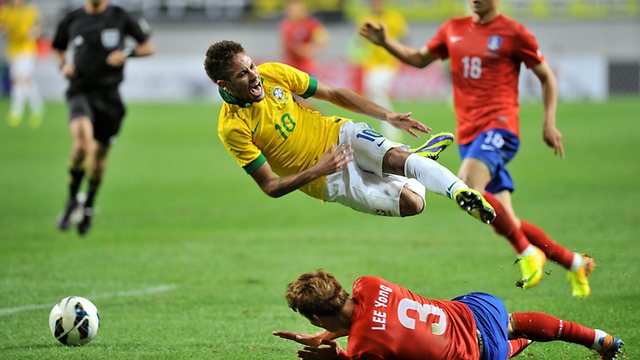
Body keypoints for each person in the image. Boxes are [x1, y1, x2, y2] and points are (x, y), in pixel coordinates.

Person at [359, 0, 594, 297]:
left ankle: (528, 253)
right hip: (469, 135)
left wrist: (549, 122)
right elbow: (419, 59)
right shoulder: (453, 29)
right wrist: (385, 43)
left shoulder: (514, 33)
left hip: (499, 127)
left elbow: (546, 77)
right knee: (503, 218)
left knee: (467, 187)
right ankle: (574, 263)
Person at [204, 40, 495, 227]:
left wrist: (387, 115)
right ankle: (417, 164)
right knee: (413, 204)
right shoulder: (232, 127)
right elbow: (270, 186)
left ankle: (460, 191)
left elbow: (333, 94)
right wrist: (318, 169)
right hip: (325, 180)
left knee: (396, 158)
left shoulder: (273, 74)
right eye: (242, 74)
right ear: (225, 84)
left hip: (339, 134)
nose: (254, 76)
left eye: (251, 66)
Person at [274, 270, 624, 360]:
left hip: (482, 354)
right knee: (509, 321)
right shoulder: (368, 284)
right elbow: (375, 320)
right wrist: (329, 335)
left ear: (317, 319)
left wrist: (336, 354)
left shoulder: (365, 348)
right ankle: (598, 338)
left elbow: (370, 338)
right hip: (480, 309)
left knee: (489, 350)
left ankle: (516, 344)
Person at [52, 0, 155, 235]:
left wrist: (126, 54)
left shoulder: (120, 16)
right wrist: (63, 65)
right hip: (80, 91)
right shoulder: (72, 19)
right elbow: (57, 47)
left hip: (109, 98)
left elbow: (149, 47)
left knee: (97, 163)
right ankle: (71, 201)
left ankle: (87, 204)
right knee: (80, 145)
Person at [352, 0, 407, 141]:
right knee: (376, 93)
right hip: (371, 64)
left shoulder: (394, 17)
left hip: (389, 62)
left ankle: (391, 124)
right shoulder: (364, 19)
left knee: (376, 88)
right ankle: (390, 124)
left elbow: (404, 37)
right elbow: (359, 41)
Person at [0, 0, 44, 128]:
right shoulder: (6, 11)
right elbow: (2, 26)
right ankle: (38, 109)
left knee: (21, 81)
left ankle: (16, 112)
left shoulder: (30, 10)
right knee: (26, 82)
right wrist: (4, 29)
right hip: (13, 50)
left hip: (27, 49)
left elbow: (40, 25)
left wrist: (35, 31)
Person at [279, 0, 328, 76]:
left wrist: (310, 49)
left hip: (306, 67)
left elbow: (322, 39)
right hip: (290, 67)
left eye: (295, 9)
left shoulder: (310, 23)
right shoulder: (286, 25)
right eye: (291, 9)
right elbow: (285, 46)